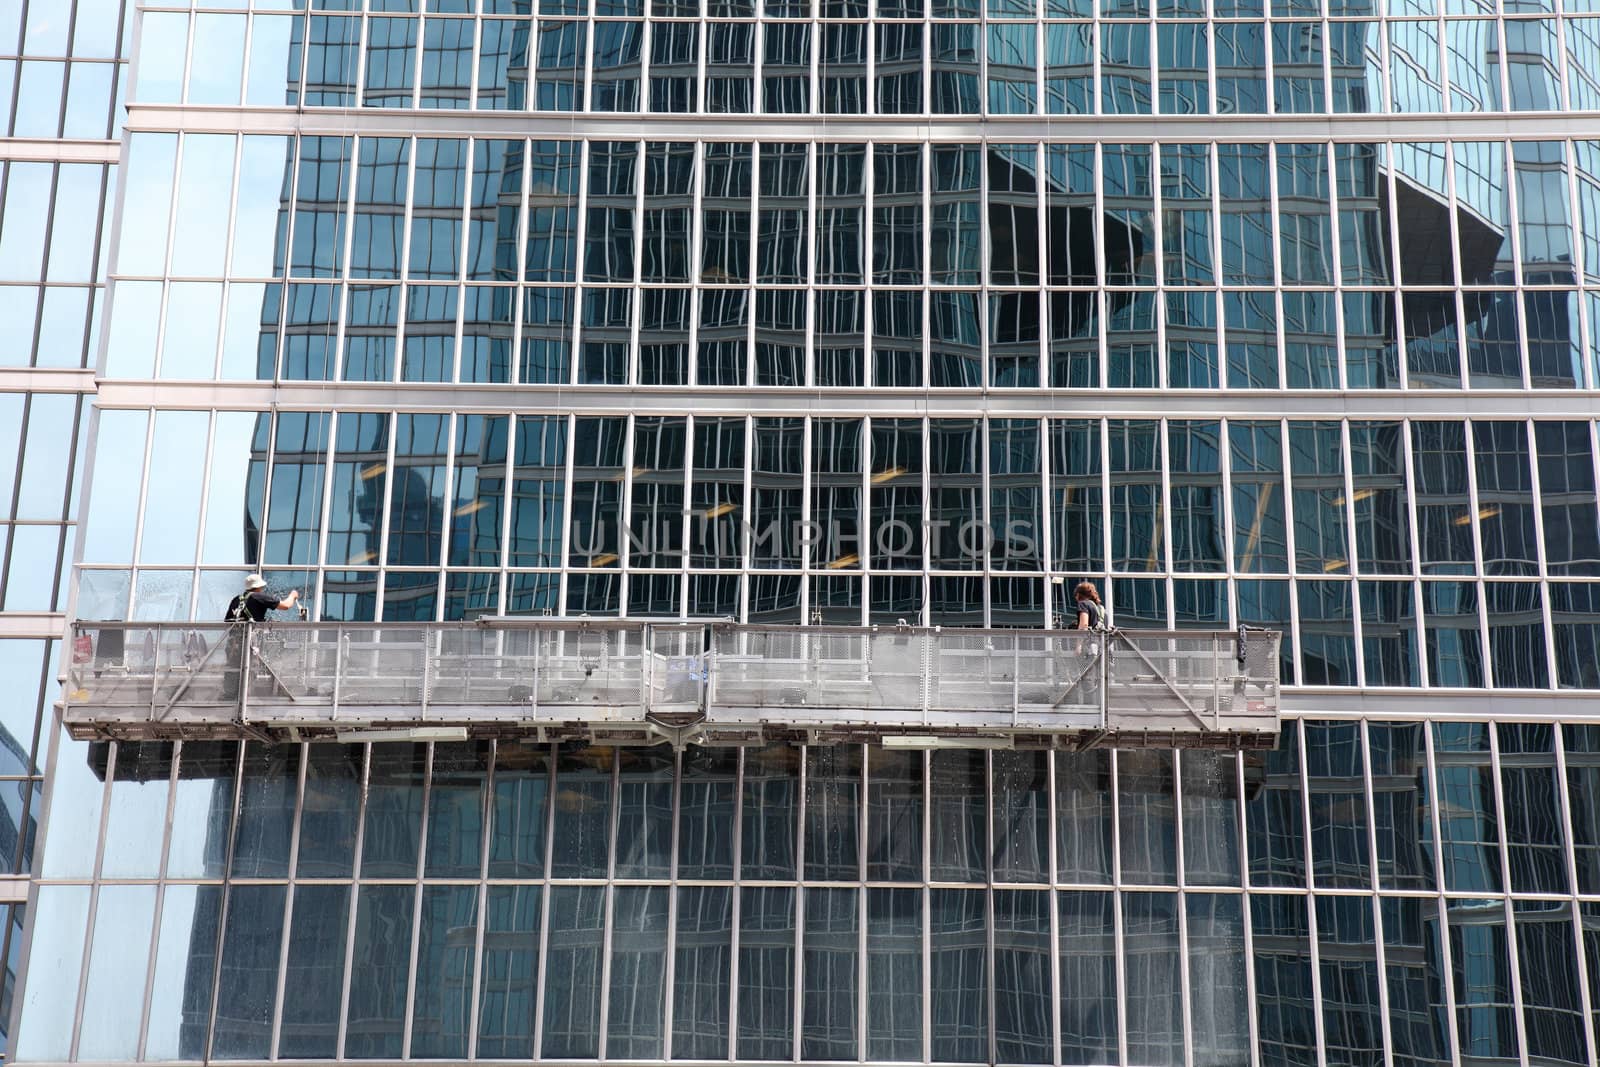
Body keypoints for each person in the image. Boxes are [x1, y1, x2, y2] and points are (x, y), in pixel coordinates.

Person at [222, 575, 299, 700]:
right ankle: (244, 700)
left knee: (233, 669)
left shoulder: (236, 600)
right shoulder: (259, 597)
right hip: (250, 643)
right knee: (250, 669)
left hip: (233, 644)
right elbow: (285, 606)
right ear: (259, 587)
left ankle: (230, 697)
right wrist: (293, 595)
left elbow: (228, 622)